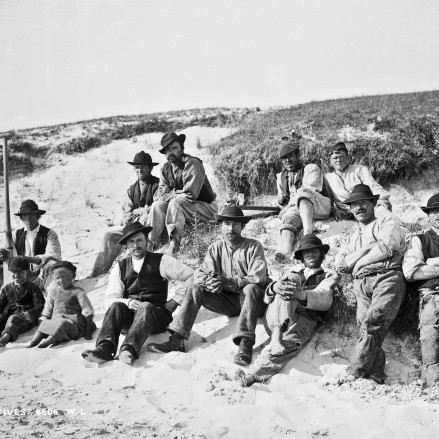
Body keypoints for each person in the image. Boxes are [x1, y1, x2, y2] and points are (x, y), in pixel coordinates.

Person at [148, 206, 268, 366]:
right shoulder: (216, 248)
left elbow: (258, 277)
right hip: (229, 303)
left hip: (254, 302)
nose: (231, 228)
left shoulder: (254, 246)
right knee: (196, 287)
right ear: (221, 226)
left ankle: (245, 342)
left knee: (250, 288)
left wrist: (227, 282)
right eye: (226, 223)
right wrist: (211, 283)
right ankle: (178, 339)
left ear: (242, 226)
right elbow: (200, 274)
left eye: (235, 224)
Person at [81, 221, 194, 365]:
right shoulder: (120, 267)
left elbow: (192, 275)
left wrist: (176, 300)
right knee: (116, 306)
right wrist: (128, 302)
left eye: (140, 240)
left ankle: (129, 349)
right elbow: (110, 299)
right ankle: (105, 348)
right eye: (131, 242)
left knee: (146, 306)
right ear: (126, 246)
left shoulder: (162, 260)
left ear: (147, 241)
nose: (136, 245)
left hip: (157, 318)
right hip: (131, 320)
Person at [235, 234, 339, 386]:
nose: (310, 254)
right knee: (290, 279)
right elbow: (266, 299)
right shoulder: (294, 271)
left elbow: (324, 297)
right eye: (306, 252)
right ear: (302, 257)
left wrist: (300, 295)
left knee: (286, 346)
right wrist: (274, 287)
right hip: (276, 318)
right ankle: (277, 335)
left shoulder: (328, 275)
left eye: (314, 251)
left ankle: (251, 376)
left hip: (303, 320)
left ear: (321, 254)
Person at [336, 184, 407, 383]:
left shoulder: (387, 220)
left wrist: (357, 262)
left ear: (373, 203)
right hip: (361, 284)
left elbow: (386, 248)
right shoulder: (352, 236)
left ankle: (356, 371)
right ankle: (376, 373)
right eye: (354, 205)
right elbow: (340, 264)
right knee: (363, 327)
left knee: (374, 322)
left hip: (386, 276)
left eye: (363, 203)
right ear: (350, 209)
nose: (358, 208)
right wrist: (366, 249)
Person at [147, 132, 218, 256]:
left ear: (182, 149)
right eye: (167, 150)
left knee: (175, 203)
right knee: (157, 205)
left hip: (206, 209)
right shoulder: (165, 169)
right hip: (184, 208)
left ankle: (174, 245)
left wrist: (171, 195)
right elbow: (158, 196)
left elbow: (190, 195)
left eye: (174, 148)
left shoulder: (192, 164)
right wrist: (176, 194)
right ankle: (149, 244)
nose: (170, 153)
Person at [90, 151, 160, 277]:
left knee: (145, 219)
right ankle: (98, 273)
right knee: (109, 234)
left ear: (150, 168)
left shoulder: (158, 185)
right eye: (137, 167)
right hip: (132, 226)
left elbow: (155, 209)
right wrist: (140, 212)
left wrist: (138, 212)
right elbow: (126, 215)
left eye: (143, 167)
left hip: (150, 228)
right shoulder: (132, 189)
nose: (140, 170)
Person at [402, 193, 439, 387]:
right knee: (430, 334)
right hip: (432, 295)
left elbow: (421, 269)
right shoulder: (419, 240)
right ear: (429, 215)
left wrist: (431, 263)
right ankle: (433, 383)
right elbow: (410, 272)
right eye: (435, 211)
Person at [276, 141, 331, 260]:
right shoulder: (281, 177)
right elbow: (282, 202)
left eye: (290, 156)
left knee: (303, 193)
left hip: (319, 205)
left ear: (298, 156)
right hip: (297, 209)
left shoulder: (311, 168)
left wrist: (286, 207)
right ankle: (287, 250)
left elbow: (309, 189)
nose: (287, 161)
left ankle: (308, 236)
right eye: (284, 158)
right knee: (287, 219)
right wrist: (280, 202)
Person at [28, 261, 96, 348]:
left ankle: (51, 340)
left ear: (73, 276)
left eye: (65, 277)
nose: (61, 281)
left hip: (74, 322)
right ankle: (34, 341)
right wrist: (45, 317)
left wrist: (87, 332)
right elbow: (48, 309)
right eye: (58, 278)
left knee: (63, 324)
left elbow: (88, 311)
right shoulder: (53, 292)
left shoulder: (78, 292)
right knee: (46, 323)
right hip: (57, 318)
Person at [0, 199, 61, 290]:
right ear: (21, 218)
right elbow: (8, 255)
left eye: (31, 214)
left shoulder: (49, 234)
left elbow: (53, 255)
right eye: (25, 215)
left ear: (38, 216)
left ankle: (51, 297)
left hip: (41, 276)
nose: (28, 218)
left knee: (52, 266)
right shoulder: (15, 234)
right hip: (21, 276)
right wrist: (2, 255)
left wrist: (28, 259)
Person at [324, 142, 391, 220]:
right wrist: (335, 210)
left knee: (382, 212)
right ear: (330, 161)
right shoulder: (327, 178)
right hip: (346, 215)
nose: (338, 160)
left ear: (348, 158)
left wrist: (382, 199)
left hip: (365, 209)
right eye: (335, 158)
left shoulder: (359, 169)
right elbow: (327, 200)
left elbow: (373, 186)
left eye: (341, 157)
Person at [0, 256, 45, 347]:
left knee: (13, 320)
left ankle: (4, 339)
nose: (16, 275)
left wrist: (29, 314)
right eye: (13, 272)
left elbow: (40, 305)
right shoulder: (7, 288)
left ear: (26, 272)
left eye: (19, 272)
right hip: (7, 315)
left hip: (25, 317)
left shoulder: (33, 288)